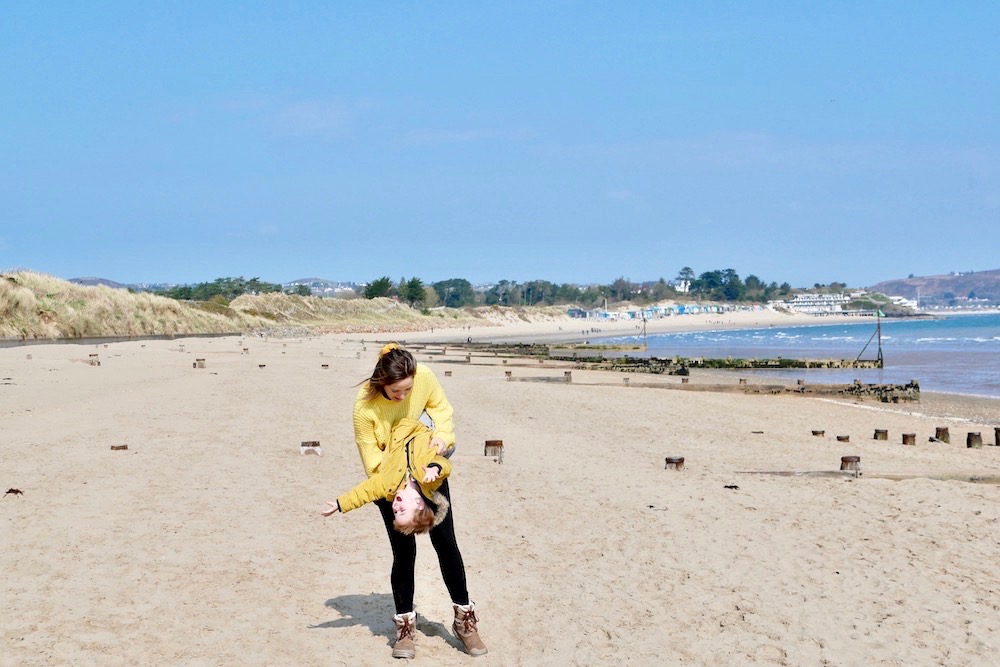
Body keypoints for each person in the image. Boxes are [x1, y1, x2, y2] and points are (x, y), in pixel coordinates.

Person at [322, 343, 487, 659]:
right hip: (391, 488)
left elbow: (440, 409)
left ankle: (465, 621)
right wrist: (403, 492)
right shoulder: (365, 408)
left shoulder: (422, 375)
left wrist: (441, 438)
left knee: (446, 544)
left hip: (429, 474)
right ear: (381, 383)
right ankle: (405, 629)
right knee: (404, 551)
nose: (403, 397)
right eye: (396, 391)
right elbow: (373, 464)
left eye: (407, 390)